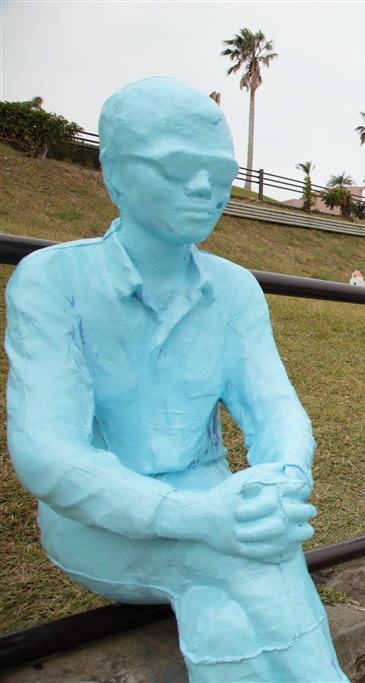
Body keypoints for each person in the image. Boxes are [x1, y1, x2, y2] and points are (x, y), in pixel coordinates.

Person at [5, 77, 346, 683]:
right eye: (178, 168)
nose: (206, 189)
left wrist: (283, 479)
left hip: (221, 506)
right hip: (97, 524)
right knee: (250, 561)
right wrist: (196, 516)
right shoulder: (52, 281)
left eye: (221, 173)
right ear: (114, 174)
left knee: (228, 612)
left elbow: (275, 408)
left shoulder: (235, 289)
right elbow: (46, 452)